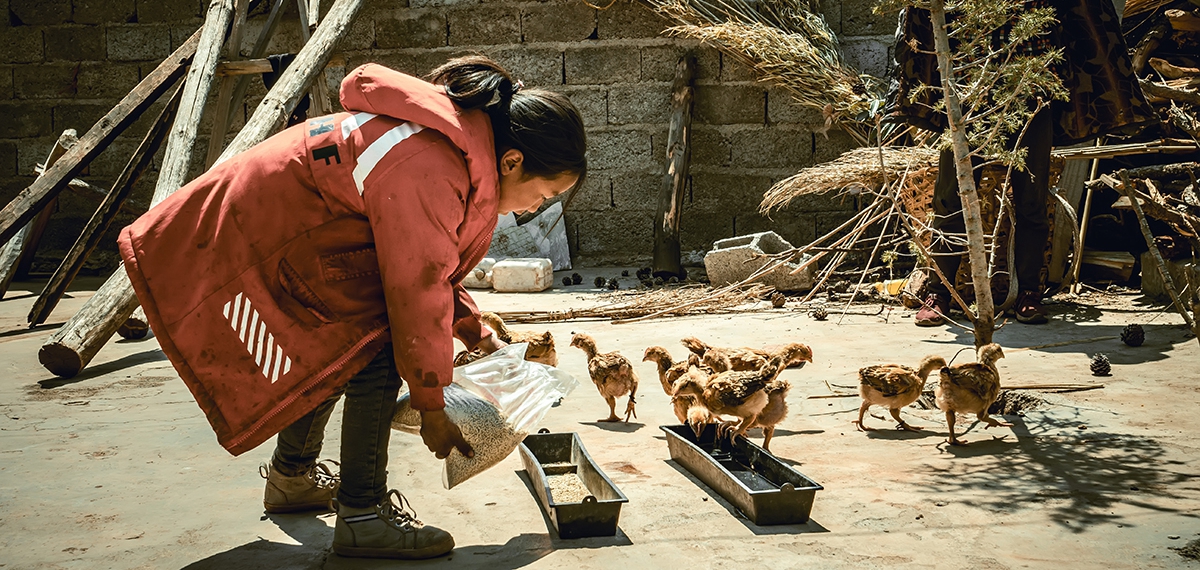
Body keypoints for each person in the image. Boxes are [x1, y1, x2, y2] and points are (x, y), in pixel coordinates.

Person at [117, 55, 586, 560]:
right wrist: (431, 405)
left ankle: (292, 477)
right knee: (378, 347)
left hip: (285, 237)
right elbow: (416, 290)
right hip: (249, 240)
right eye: (546, 193)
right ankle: (363, 514)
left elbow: (425, 263)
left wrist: (476, 332)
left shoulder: (453, 150)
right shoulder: (431, 164)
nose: (537, 207)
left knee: (339, 345)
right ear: (513, 161)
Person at [886, 0, 1156, 326]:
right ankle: (940, 292)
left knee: (1031, 197)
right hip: (971, 87)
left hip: (1031, 88)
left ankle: (1029, 292)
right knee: (950, 194)